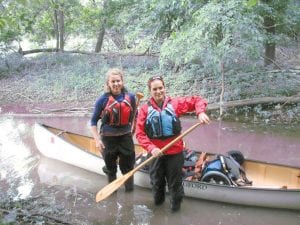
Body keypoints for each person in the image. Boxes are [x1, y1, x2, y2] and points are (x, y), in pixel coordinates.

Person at [135, 75, 210, 212]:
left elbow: (198, 100)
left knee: (175, 185)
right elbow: (139, 134)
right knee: (157, 184)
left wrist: (200, 112)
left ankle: (175, 212)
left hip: (175, 153)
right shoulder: (145, 110)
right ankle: (158, 211)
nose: (158, 91)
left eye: (160, 88)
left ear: (164, 88)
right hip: (155, 154)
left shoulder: (175, 104)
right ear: (150, 91)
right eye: (155, 89)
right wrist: (151, 148)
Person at [90, 68, 136, 192]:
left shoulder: (131, 97)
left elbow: (134, 116)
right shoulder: (102, 100)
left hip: (125, 138)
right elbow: (93, 122)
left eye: (118, 81)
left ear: (122, 81)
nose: (116, 84)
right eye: (113, 81)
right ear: (108, 83)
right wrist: (97, 140)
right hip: (108, 140)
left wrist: (134, 129)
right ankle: (112, 193)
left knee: (128, 169)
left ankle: (129, 196)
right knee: (111, 169)